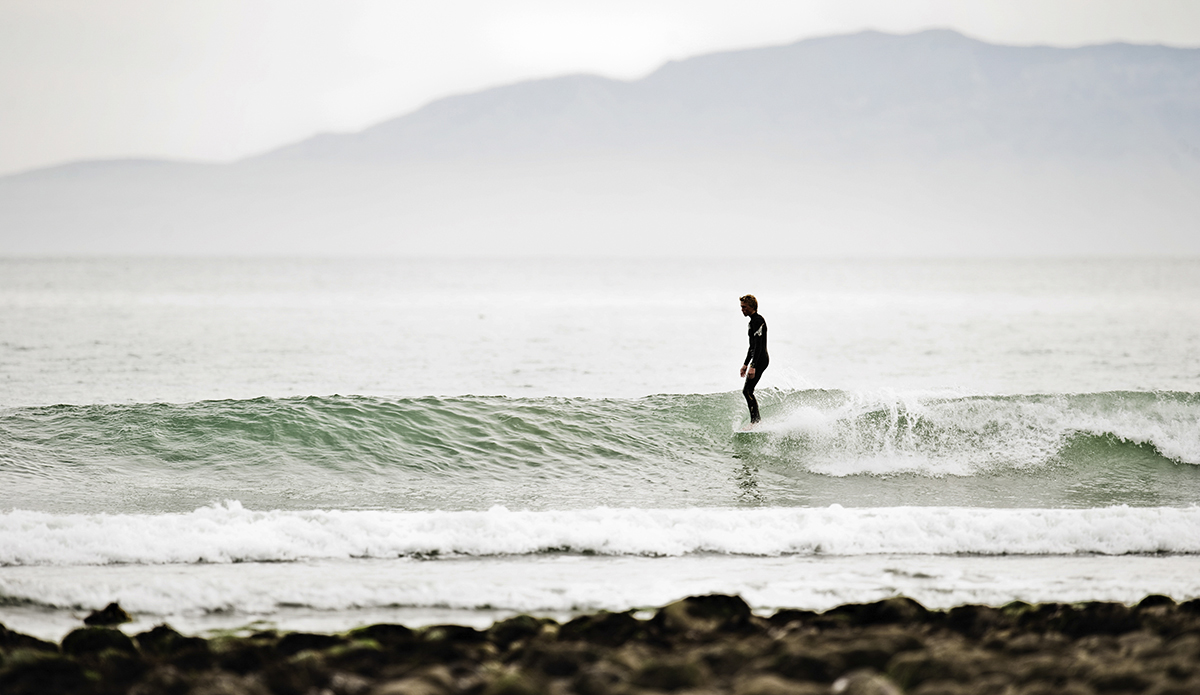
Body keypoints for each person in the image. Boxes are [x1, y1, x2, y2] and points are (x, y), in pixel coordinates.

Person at [739, 294, 769, 424]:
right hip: (758, 359)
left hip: (761, 359)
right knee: (747, 391)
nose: (742, 310)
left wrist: (754, 365)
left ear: (752, 307)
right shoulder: (752, 321)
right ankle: (756, 421)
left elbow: (759, 346)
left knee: (747, 391)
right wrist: (746, 364)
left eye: (744, 307)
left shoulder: (758, 321)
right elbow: (752, 346)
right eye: (741, 307)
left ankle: (756, 422)